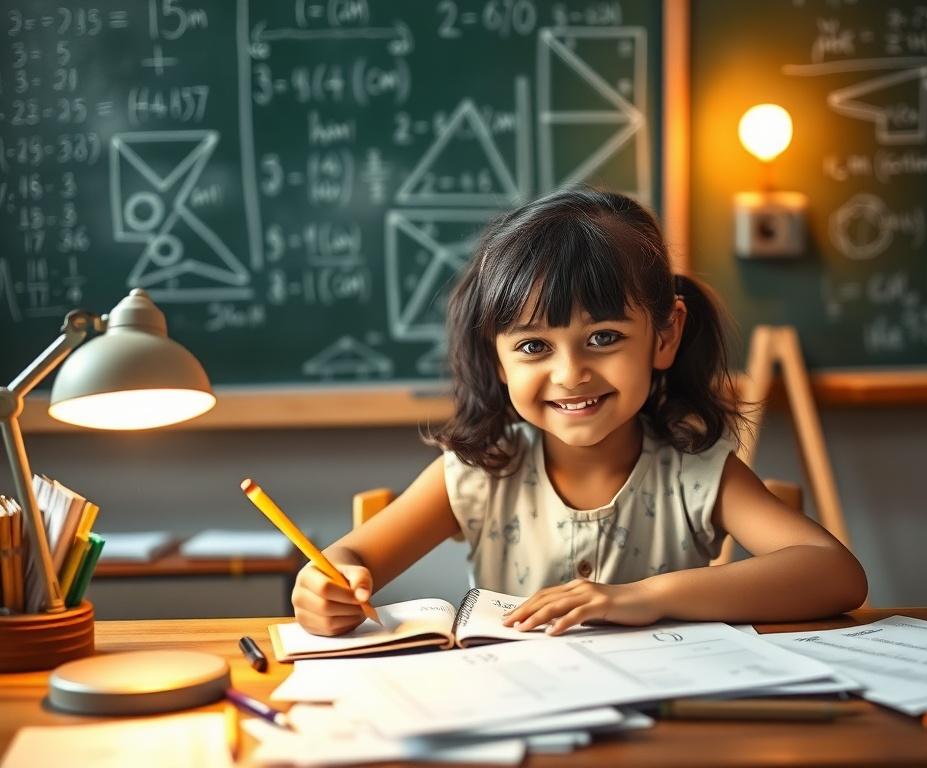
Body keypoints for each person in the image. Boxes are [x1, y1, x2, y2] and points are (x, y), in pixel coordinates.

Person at [292, 186, 868, 637]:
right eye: (533, 346)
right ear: (497, 358)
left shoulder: (696, 473)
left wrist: (638, 598)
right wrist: (325, 583)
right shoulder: (479, 473)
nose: (570, 374)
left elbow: (836, 574)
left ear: (664, 336)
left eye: (603, 337)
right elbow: (349, 557)